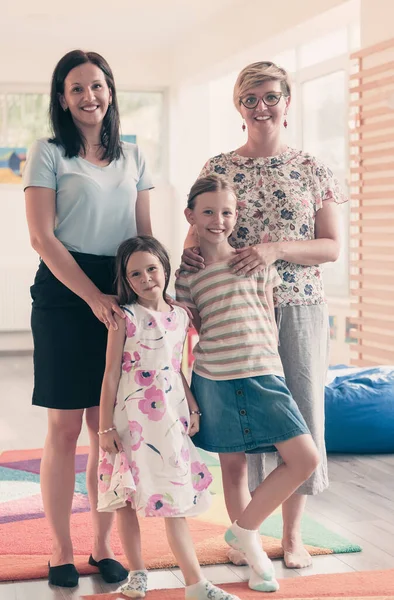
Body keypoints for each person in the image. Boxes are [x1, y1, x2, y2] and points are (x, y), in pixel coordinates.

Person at [181, 62, 347, 570]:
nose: (261, 106)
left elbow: (331, 246)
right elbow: (198, 227)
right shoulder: (220, 165)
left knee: (300, 418)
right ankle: (247, 534)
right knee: (245, 426)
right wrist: (187, 256)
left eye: (271, 96)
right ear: (238, 106)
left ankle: (292, 536)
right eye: (250, 98)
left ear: (287, 102)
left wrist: (274, 248)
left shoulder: (313, 168)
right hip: (231, 307)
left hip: (297, 306)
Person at [23, 50, 154, 587]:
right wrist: (91, 297)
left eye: (96, 86)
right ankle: (59, 546)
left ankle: (102, 545)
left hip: (120, 286)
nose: (88, 97)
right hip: (63, 290)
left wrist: (151, 295)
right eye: (76, 89)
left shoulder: (134, 155)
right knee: (63, 426)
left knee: (112, 428)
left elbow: (144, 234)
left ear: (110, 90)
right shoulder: (48, 152)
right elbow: (42, 237)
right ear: (62, 98)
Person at [175, 175, 320, 593]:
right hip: (215, 379)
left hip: (263, 375)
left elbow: (268, 317)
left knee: (304, 457)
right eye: (208, 212)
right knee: (233, 468)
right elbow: (195, 329)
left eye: (226, 212)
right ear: (191, 216)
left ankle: (243, 530)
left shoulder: (258, 263)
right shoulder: (189, 276)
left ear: (236, 216)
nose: (218, 220)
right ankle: (254, 561)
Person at [97, 235, 241, 600]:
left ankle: (195, 583)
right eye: (135, 274)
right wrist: (105, 427)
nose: (146, 279)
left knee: (175, 498)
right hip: (130, 419)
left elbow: (178, 367)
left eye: (151, 269)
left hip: (169, 417)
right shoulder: (124, 318)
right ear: (125, 280)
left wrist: (192, 407)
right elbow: (111, 373)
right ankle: (137, 573)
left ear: (164, 267)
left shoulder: (180, 316)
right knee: (129, 499)